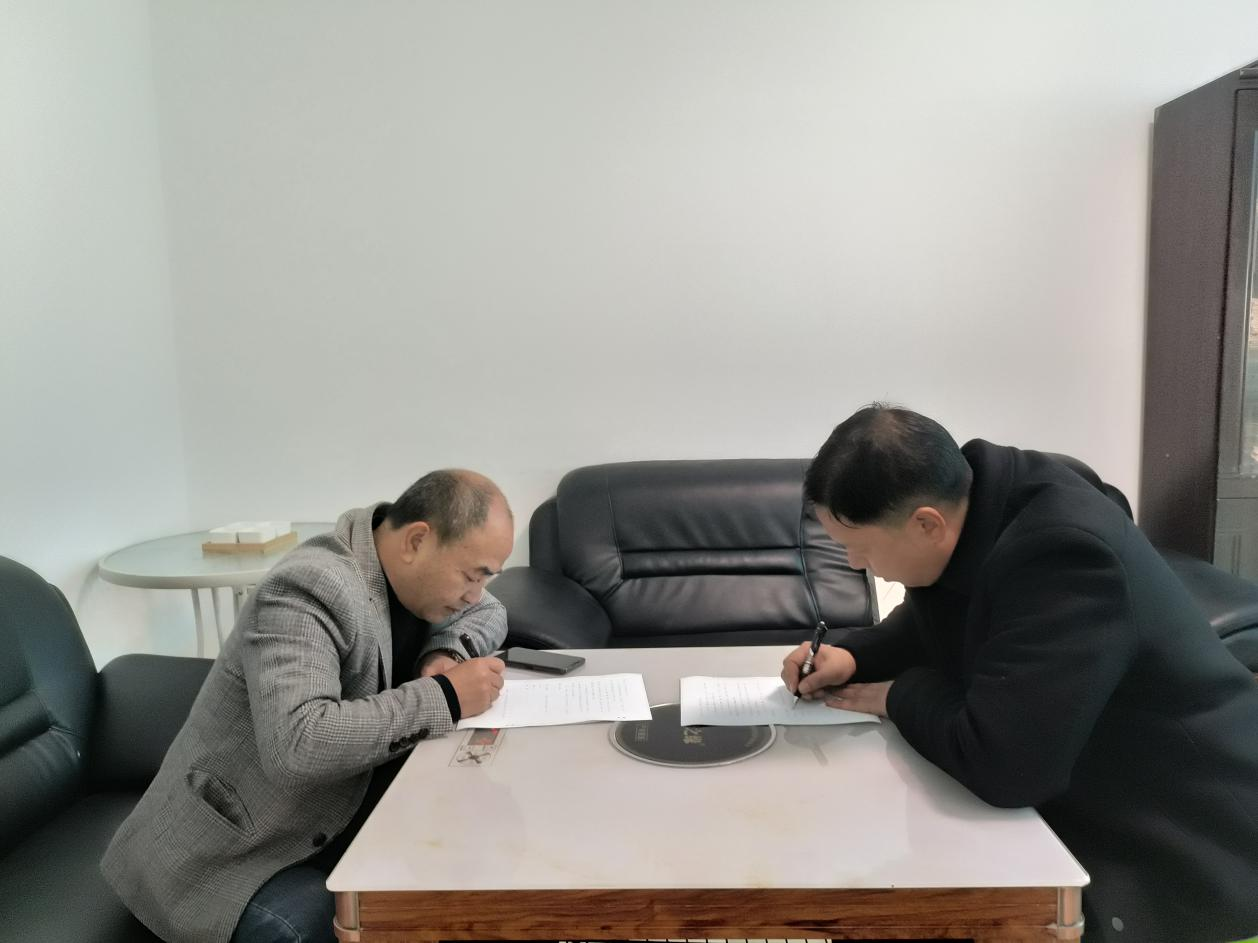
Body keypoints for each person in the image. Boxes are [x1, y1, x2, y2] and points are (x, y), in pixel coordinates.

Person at [782, 405, 1258, 943]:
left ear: (926, 524)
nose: (853, 563)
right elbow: (940, 613)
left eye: (860, 547)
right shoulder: (978, 503)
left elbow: (1005, 767)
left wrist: (897, 695)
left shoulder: (1063, 556)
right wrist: (853, 656)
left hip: (1193, 844)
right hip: (1093, 795)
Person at [102, 470, 514, 943]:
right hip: (234, 851)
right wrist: (445, 696)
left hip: (337, 811)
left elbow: (489, 612)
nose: (475, 592)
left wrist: (445, 654)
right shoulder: (309, 587)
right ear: (417, 541)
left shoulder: (415, 581)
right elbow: (299, 743)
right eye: (472, 575)